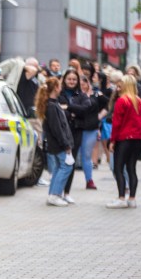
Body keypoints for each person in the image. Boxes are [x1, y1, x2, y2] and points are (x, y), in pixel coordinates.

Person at [35, 78, 75, 207]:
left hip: (56, 143)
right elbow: (57, 128)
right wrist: (66, 144)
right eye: (59, 85)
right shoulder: (52, 106)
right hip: (59, 144)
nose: (61, 88)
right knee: (66, 166)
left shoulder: (51, 104)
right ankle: (55, 195)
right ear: (56, 88)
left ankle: (53, 194)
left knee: (59, 167)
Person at [107, 75, 141, 209]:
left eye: (121, 84)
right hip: (138, 139)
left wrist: (112, 141)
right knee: (131, 169)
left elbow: (116, 124)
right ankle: (132, 199)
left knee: (118, 168)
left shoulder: (122, 101)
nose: (118, 87)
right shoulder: (139, 101)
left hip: (124, 139)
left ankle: (121, 198)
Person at [57, 69, 89, 204]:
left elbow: (86, 109)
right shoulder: (59, 94)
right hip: (62, 133)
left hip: (76, 132)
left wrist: (68, 108)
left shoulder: (81, 95)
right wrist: (73, 111)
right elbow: (58, 111)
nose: (71, 81)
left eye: (74, 79)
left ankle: (67, 192)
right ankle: (57, 192)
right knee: (61, 164)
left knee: (71, 162)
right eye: (69, 79)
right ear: (64, 80)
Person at [74, 75, 104, 190]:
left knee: (87, 155)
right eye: (80, 84)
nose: (82, 86)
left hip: (91, 129)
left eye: (84, 84)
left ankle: (89, 180)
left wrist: (100, 116)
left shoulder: (96, 95)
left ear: (88, 84)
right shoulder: (74, 95)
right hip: (77, 128)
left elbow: (109, 103)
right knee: (73, 155)